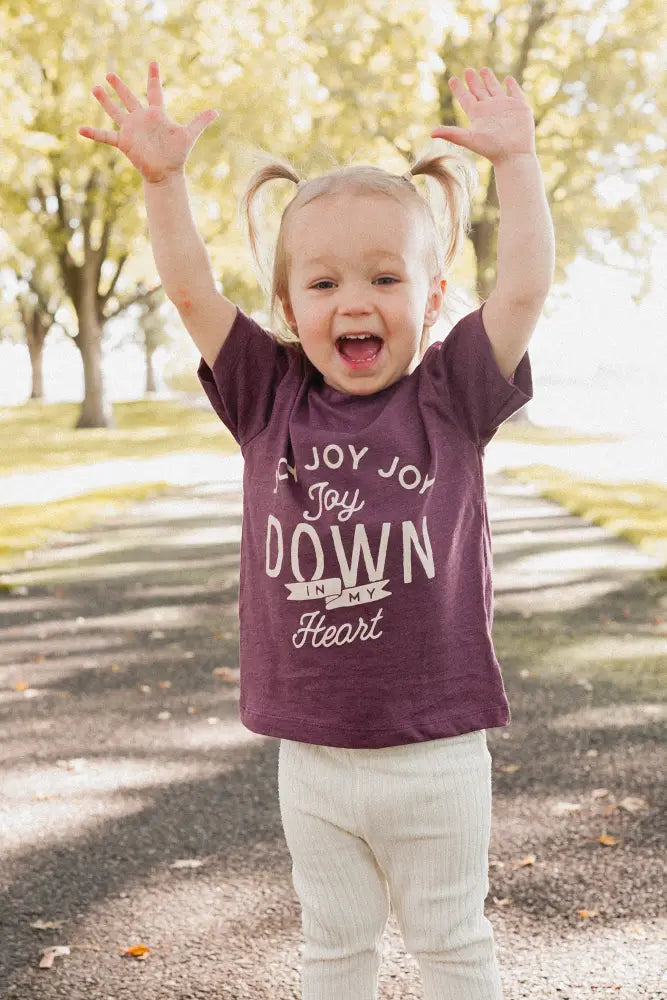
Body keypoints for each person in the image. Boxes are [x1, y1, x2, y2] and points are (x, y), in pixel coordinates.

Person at [80, 60, 555, 1000]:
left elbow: (522, 294)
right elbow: (187, 295)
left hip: (434, 750)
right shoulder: (269, 397)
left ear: (428, 298)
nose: (354, 301)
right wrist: (165, 185)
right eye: (324, 281)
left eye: (385, 278)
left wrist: (518, 163)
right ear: (288, 305)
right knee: (332, 948)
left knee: (451, 944)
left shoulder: (450, 396)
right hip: (313, 754)